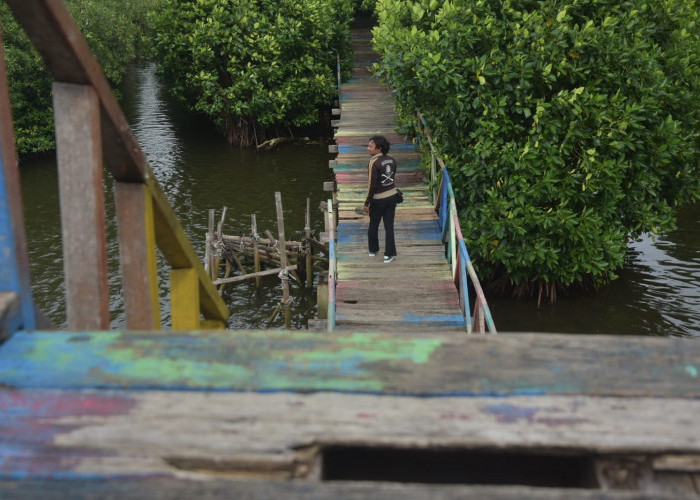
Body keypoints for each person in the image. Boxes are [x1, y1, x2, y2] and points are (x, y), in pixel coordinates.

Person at [363, 135, 397, 263]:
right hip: (391, 196)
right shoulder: (392, 160)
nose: (368, 149)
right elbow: (392, 178)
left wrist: (367, 202)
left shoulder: (373, 162)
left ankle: (373, 249)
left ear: (379, 148)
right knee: (389, 226)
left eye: (370, 146)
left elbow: (372, 184)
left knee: (373, 224)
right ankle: (388, 254)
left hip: (378, 199)